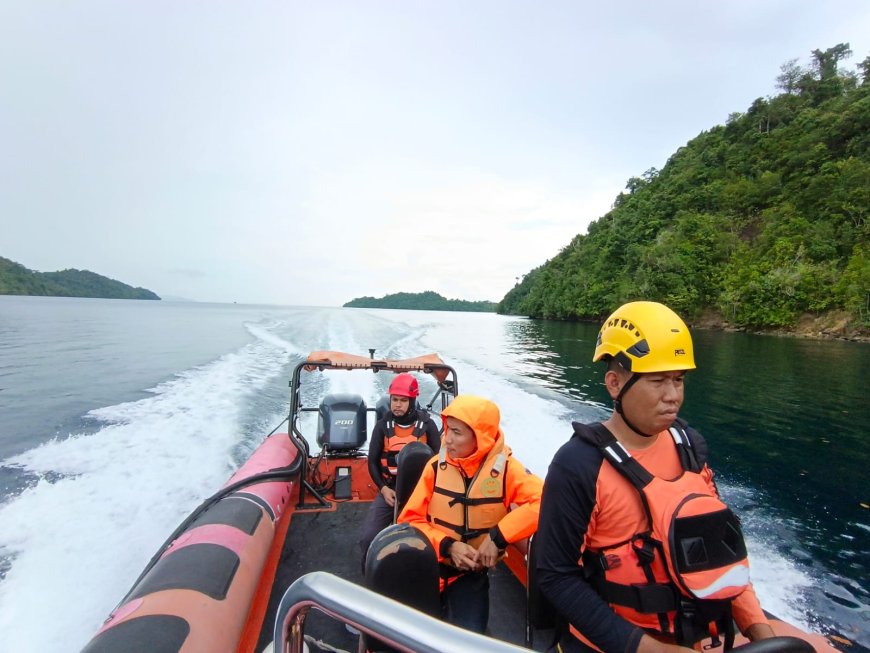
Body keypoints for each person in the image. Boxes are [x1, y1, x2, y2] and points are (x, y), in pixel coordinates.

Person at [535, 301, 776, 653]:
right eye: (658, 380)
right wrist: (651, 649)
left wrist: (759, 629)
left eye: (678, 380)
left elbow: (720, 552)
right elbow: (555, 575)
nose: (673, 396)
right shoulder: (578, 465)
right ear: (615, 384)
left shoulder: (689, 448)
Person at [398, 394, 544, 634]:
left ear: (481, 437)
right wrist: (448, 546)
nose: (447, 438)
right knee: (408, 635)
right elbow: (409, 520)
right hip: (427, 567)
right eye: (447, 429)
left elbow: (544, 501)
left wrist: (499, 537)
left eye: (456, 432)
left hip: (470, 577)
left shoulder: (507, 470)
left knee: (468, 638)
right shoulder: (434, 467)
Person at [358, 373, 440, 571]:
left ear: (412, 401)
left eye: (403, 401)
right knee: (368, 538)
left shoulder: (428, 426)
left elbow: (438, 461)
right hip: (391, 490)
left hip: (423, 492)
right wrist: (383, 489)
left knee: (431, 538)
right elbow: (372, 462)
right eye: (395, 400)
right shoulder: (382, 427)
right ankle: (370, 574)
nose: (397, 405)